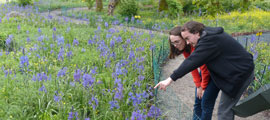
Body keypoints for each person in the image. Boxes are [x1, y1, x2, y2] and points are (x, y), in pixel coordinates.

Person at [154, 21, 254, 120]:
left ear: (196, 33)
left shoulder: (208, 41)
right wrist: (199, 85)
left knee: (224, 111)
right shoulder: (205, 35)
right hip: (227, 72)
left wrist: (170, 79)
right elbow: (191, 62)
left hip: (240, 75)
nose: (188, 42)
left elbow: (192, 62)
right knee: (210, 104)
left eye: (187, 38)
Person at [169, 26, 218, 120]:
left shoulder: (195, 46)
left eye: (177, 41)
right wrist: (198, 85)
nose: (175, 45)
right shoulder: (184, 48)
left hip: (214, 72)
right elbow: (192, 67)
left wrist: (203, 87)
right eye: (172, 42)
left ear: (184, 38)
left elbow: (204, 69)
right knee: (198, 101)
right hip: (205, 72)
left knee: (206, 103)